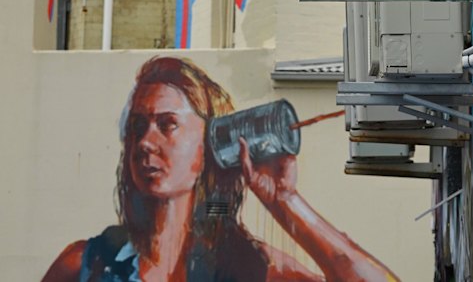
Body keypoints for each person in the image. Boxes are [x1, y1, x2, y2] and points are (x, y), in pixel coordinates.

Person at [42, 56, 401, 282]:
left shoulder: (253, 268)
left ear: (211, 142)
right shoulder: (88, 264)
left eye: (167, 124)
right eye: (138, 126)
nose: (145, 142)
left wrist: (286, 202)